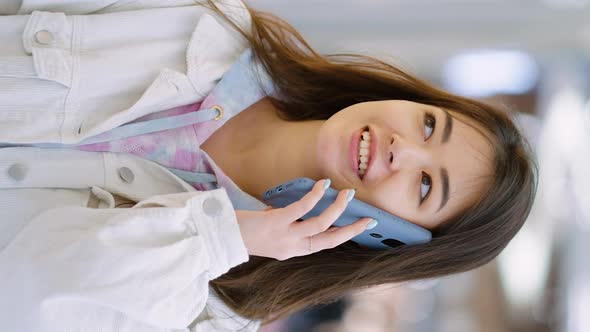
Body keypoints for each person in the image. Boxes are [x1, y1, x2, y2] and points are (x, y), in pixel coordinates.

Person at [0, 0, 538, 331]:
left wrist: (213, 239)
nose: (405, 149)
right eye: (428, 125)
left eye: (424, 185)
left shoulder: (214, 308)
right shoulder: (203, 26)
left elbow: (21, 297)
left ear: (395, 240)